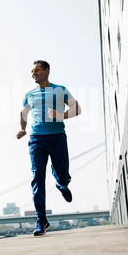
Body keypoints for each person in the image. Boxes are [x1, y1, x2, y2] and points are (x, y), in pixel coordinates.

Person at [16, 60, 81, 236]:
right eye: (31, 71)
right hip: (37, 139)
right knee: (37, 177)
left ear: (46, 71)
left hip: (57, 137)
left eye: (36, 70)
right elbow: (23, 113)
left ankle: (62, 183)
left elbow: (77, 108)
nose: (33, 74)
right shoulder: (29, 93)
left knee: (62, 172)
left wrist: (61, 115)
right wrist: (22, 129)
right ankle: (41, 220)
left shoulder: (60, 89)